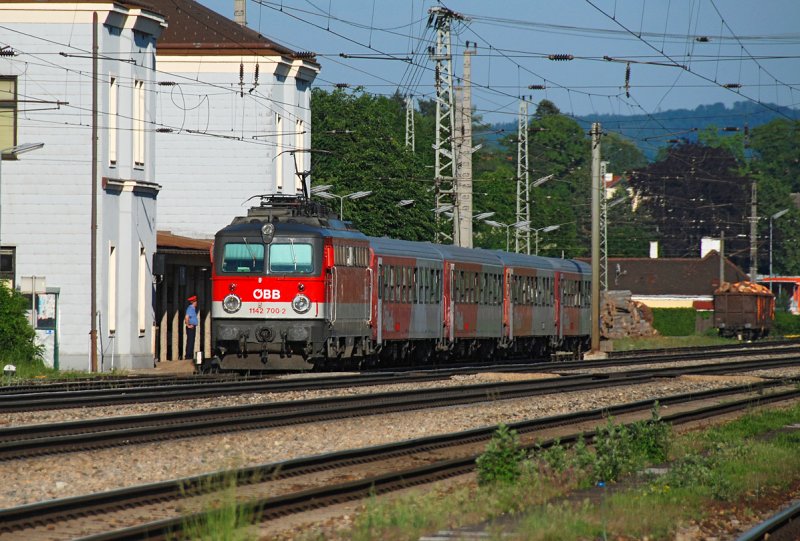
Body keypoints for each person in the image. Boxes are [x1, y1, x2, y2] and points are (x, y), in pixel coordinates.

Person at [184, 295, 198, 361]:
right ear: (193, 302)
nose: (196, 303)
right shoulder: (190, 308)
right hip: (191, 327)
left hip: (192, 326)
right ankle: (188, 356)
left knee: (192, 341)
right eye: (195, 302)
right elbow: (186, 317)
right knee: (190, 341)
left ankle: (190, 355)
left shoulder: (193, 309)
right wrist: (188, 325)